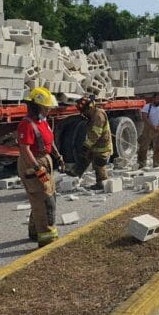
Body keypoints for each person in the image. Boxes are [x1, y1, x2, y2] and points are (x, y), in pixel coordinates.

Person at [17, 86, 65, 247]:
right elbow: (25, 150)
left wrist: (58, 156)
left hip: (44, 162)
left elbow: (49, 141)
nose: (48, 111)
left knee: (44, 197)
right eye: (45, 108)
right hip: (33, 165)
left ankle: (35, 231)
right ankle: (47, 238)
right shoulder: (26, 124)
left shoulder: (42, 121)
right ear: (36, 107)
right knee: (45, 200)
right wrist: (37, 169)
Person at [70, 95, 113, 190]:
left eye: (84, 111)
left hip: (102, 146)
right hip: (95, 145)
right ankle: (75, 175)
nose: (83, 114)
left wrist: (87, 145)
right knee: (85, 157)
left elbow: (95, 134)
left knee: (98, 163)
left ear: (89, 108)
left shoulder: (98, 115)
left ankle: (102, 183)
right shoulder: (92, 115)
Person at [137, 93, 159, 168]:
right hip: (148, 129)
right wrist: (152, 126)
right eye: (157, 99)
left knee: (158, 147)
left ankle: (157, 163)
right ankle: (141, 163)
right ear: (153, 99)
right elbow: (144, 117)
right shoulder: (147, 107)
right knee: (143, 146)